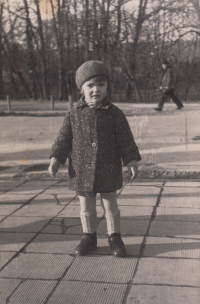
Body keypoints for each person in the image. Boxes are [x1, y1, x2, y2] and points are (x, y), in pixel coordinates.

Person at [48, 60, 141, 258]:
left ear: (107, 87)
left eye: (101, 84)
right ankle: (88, 237)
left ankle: (114, 237)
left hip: (108, 169)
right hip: (82, 171)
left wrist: (131, 159)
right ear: (82, 89)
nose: (96, 89)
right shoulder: (73, 115)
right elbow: (63, 139)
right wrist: (56, 158)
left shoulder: (115, 114)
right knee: (86, 206)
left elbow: (126, 140)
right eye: (90, 85)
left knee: (110, 205)